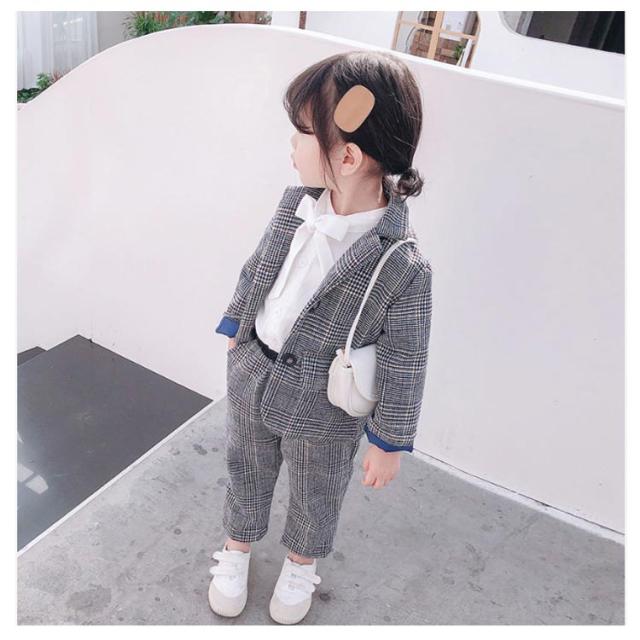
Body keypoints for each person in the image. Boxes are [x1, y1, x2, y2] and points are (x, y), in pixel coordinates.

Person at [208, 50, 433, 624]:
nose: (291, 143)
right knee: (245, 464)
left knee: (317, 487)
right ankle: (237, 547)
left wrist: (388, 441)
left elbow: (407, 357)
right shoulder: (296, 205)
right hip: (256, 368)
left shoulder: (400, 263)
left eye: (304, 132)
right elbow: (259, 267)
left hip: (325, 404)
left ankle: (300, 564)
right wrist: (237, 323)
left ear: (348, 156)